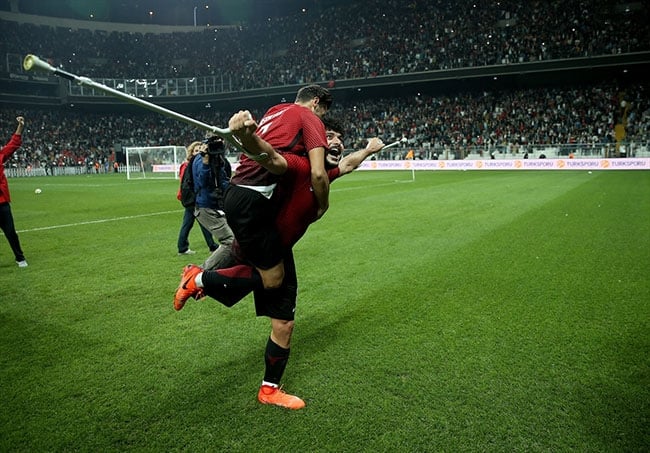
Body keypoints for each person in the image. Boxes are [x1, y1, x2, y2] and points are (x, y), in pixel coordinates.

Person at [175, 115, 385, 409]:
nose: (336, 142)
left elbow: (348, 164)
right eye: (330, 136)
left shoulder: (327, 171)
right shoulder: (297, 166)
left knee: (284, 322)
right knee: (270, 280)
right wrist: (245, 134)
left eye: (339, 137)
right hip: (263, 242)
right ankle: (196, 279)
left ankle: (269, 390)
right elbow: (269, 156)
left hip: (279, 249)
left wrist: (368, 149)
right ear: (314, 144)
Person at [223, 84, 332, 292]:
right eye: (323, 112)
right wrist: (322, 205)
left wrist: (245, 137)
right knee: (273, 279)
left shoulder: (275, 110)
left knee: (257, 254)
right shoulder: (310, 118)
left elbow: (260, 148)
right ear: (316, 102)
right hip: (255, 195)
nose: (322, 118)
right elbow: (318, 173)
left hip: (236, 188)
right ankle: (201, 279)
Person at [191, 135, 235, 270]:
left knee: (238, 238)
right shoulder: (200, 160)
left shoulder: (217, 159)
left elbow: (222, 180)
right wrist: (205, 161)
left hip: (217, 206)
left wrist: (236, 187)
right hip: (205, 208)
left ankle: (227, 272)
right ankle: (199, 274)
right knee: (230, 241)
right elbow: (202, 182)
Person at [176, 141, 217, 256]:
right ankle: (212, 246)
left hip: (192, 198)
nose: (199, 152)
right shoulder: (188, 165)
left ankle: (182, 247)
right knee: (202, 221)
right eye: (196, 151)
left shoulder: (190, 164)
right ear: (191, 152)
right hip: (192, 198)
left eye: (200, 150)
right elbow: (187, 183)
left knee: (188, 223)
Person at [0, 116, 27, 268]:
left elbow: (13, 144)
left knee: (11, 232)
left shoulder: (0, 156)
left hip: (2, 204)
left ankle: (20, 257)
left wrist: (20, 127)